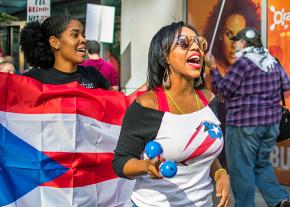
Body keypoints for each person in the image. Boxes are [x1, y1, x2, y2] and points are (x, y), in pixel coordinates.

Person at [113, 21, 230, 207]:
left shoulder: (209, 100)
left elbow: (200, 150)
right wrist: (147, 167)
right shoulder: (147, 105)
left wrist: (220, 173)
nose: (195, 48)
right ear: (165, 56)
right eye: (184, 43)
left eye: (199, 43)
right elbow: (120, 162)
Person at [205, 27, 290, 207]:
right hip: (270, 125)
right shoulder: (272, 61)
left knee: (241, 170)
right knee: (261, 164)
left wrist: (212, 67)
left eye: (237, 41)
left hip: (244, 125)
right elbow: (286, 88)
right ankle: (278, 199)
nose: (235, 44)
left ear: (243, 43)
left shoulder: (243, 63)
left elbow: (224, 90)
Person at [20, 15, 110, 90]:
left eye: (83, 35)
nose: (83, 40)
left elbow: (116, 103)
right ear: (54, 42)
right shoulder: (31, 80)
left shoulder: (93, 75)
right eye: (75, 35)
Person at [204, 0, 261, 88]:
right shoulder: (209, 71)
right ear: (220, 35)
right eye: (229, 34)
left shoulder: (254, 68)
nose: (234, 45)